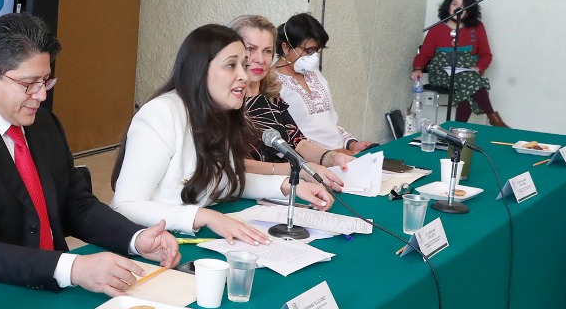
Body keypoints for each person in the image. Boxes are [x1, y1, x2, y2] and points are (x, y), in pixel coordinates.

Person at [0, 12, 180, 299]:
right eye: (29, 84)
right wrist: (73, 268)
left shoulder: (44, 124)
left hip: (46, 286)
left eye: (46, 81)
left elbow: (76, 205)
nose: (41, 96)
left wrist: (136, 238)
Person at [111, 24, 331, 243]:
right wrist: (207, 217)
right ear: (199, 69)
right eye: (231, 66)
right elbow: (125, 206)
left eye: (244, 65)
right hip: (153, 244)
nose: (243, 76)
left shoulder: (222, 113)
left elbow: (226, 182)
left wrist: (287, 185)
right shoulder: (161, 112)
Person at [229, 15, 349, 192]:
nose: (260, 59)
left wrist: (331, 157)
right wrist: (296, 169)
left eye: (267, 51)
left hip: (284, 190)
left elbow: (298, 143)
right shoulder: (226, 100)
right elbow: (232, 162)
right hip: (245, 194)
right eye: (251, 49)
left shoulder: (271, 94)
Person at [274, 13, 371, 153]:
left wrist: (351, 144)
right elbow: (285, 140)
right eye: (308, 50)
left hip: (340, 156)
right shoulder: (271, 84)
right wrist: (329, 155)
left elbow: (330, 123)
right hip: (309, 162)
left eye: (317, 51)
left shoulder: (314, 74)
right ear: (286, 47)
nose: (313, 57)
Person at [411, 0, 506, 126]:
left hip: (467, 73)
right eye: (454, 4)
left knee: (466, 87)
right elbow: (424, 54)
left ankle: (456, 130)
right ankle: (494, 119)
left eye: (463, 6)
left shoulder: (477, 28)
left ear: (469, 10)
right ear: (448, 6)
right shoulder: (436, 29)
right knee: (470, 82)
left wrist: (479, 68)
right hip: (442, 73)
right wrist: (418, 68)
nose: (457, 9)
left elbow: (486, 54)